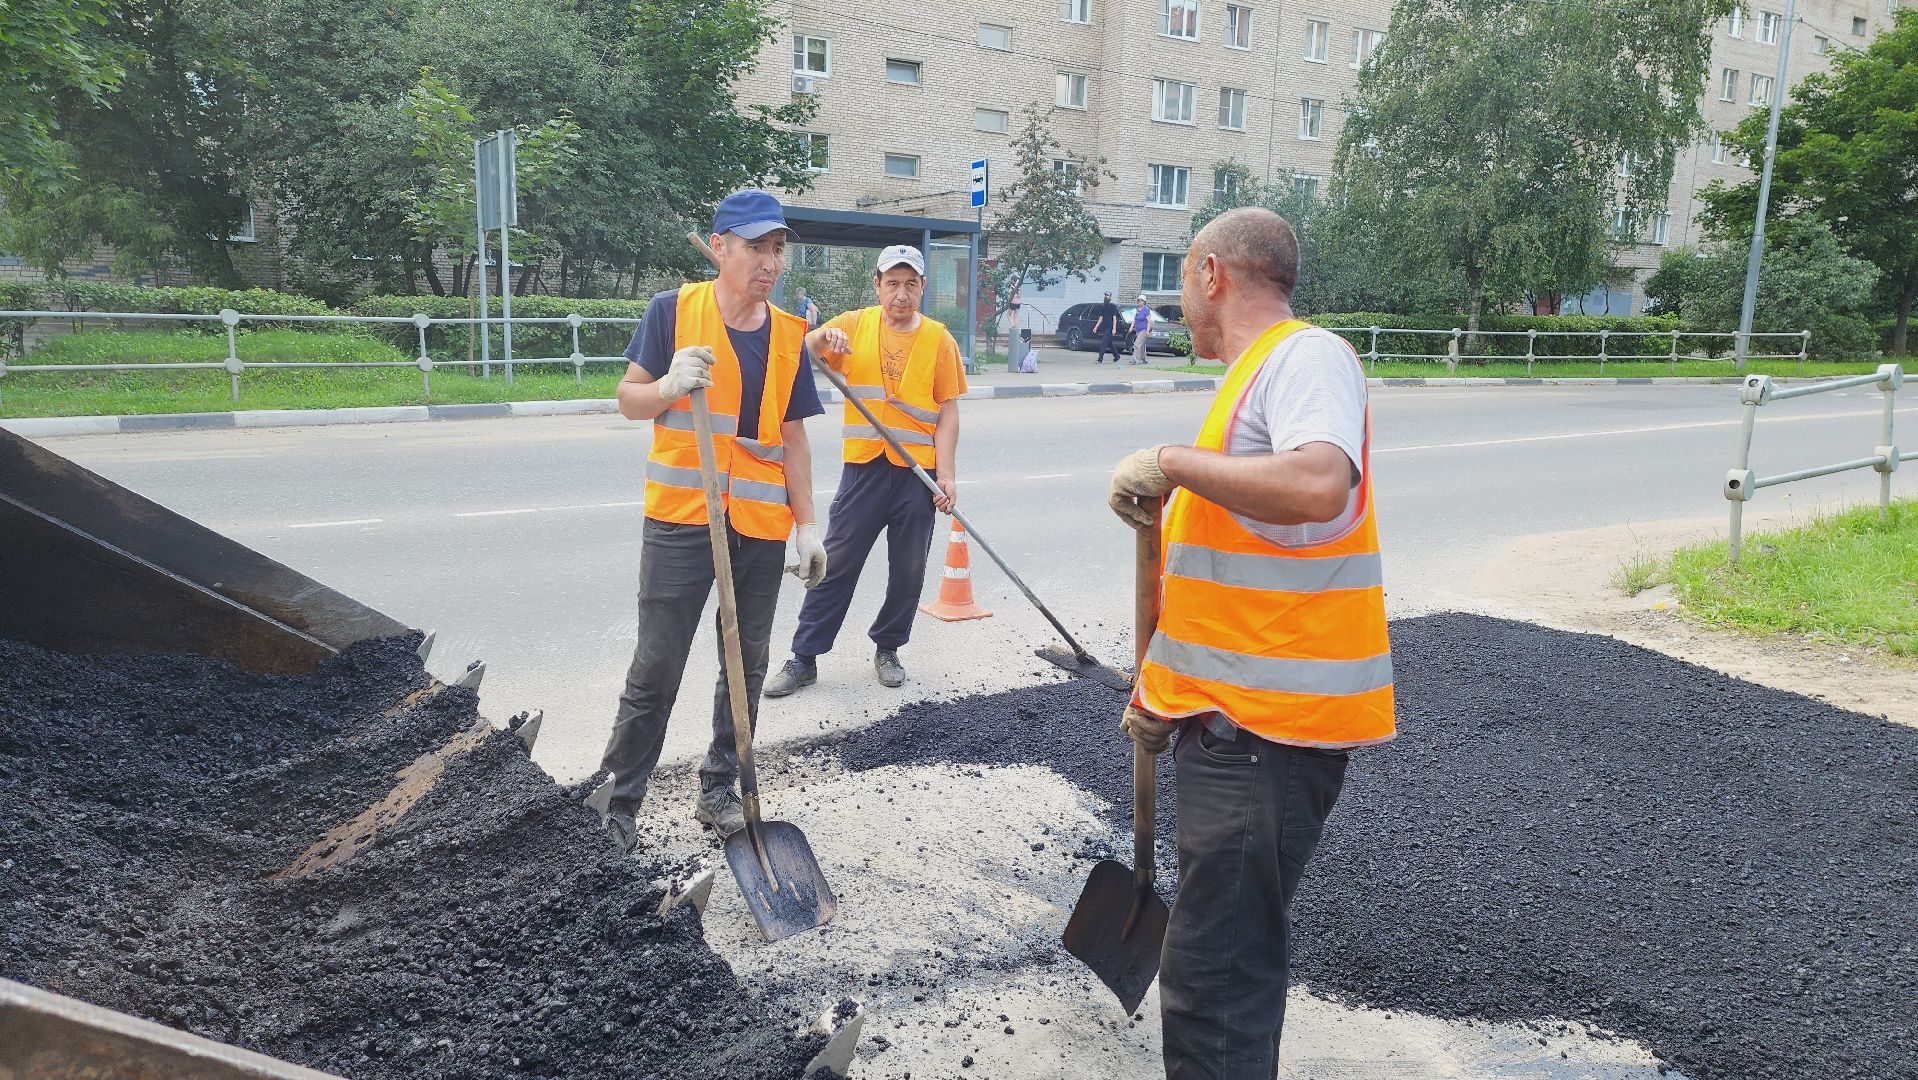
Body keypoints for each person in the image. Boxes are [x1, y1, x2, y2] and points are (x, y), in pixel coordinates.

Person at [1105, 207, 1395, 1079]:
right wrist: (1163, 698)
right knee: (1216, 967)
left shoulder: (1305, 356)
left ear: (1210, 273)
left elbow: (1316, 482)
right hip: (1233, 726)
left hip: (1270, 739)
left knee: (1215, 987)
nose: (1179, 306)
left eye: (1181, 282)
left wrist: (1173, 462)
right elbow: (1223, 592)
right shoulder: (1248, 382)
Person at [596, 190, 830, 853]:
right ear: (720, 246)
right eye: (757, 246)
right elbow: (628, 401)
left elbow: (792, 439)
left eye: (778, 248)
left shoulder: (788, 335)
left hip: (756, 524)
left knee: (746, 663)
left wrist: (807, 525)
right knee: (657, 664)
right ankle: (615, 802)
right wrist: (667, 385)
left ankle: (720, 787)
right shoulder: (674, 313)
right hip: (681, 519)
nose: (770, 261)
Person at [763, 245, 967, 696]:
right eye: (892, 283)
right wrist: (821, 340)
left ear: (922, 288)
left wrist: (947, 474)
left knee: (909, 569)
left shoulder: (939, 340)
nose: (900, 293)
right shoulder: (853, 325)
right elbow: (802, 350)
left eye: (910, 284)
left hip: (918, 476)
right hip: (865, 469)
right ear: (877, 285)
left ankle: (889, 647)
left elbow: (948, 412)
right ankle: (804, 658)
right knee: (836, 564)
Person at [1091, 291, 1123, 364]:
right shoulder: (1104, 307)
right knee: (1109, 343)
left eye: (1107, 295)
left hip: (1110, 328)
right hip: (1105, 328)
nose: (1106, 296)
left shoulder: (1112, 306)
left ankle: (1100, 359)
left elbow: (1114, 318)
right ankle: (1117, 356)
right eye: (1105, 295)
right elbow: (1101, 318)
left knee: (1103, 343)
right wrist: (1096, 327)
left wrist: (1114, 328)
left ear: (1110, 297)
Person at [1130, 293, 1153, 366]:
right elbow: (1135, 319)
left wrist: (1148, 330)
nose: (1139, 302)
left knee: (1137, 343)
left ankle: (1136, 358)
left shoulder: (1146, 310)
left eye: (1141, 301)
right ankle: (1144, 359)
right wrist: (1131, 327)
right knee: (1142, 344)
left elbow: (1149, 321)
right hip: (1137, 329)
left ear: (1144, 302)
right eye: (1138, 301)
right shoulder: (1137, 310)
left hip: (1144, 329)